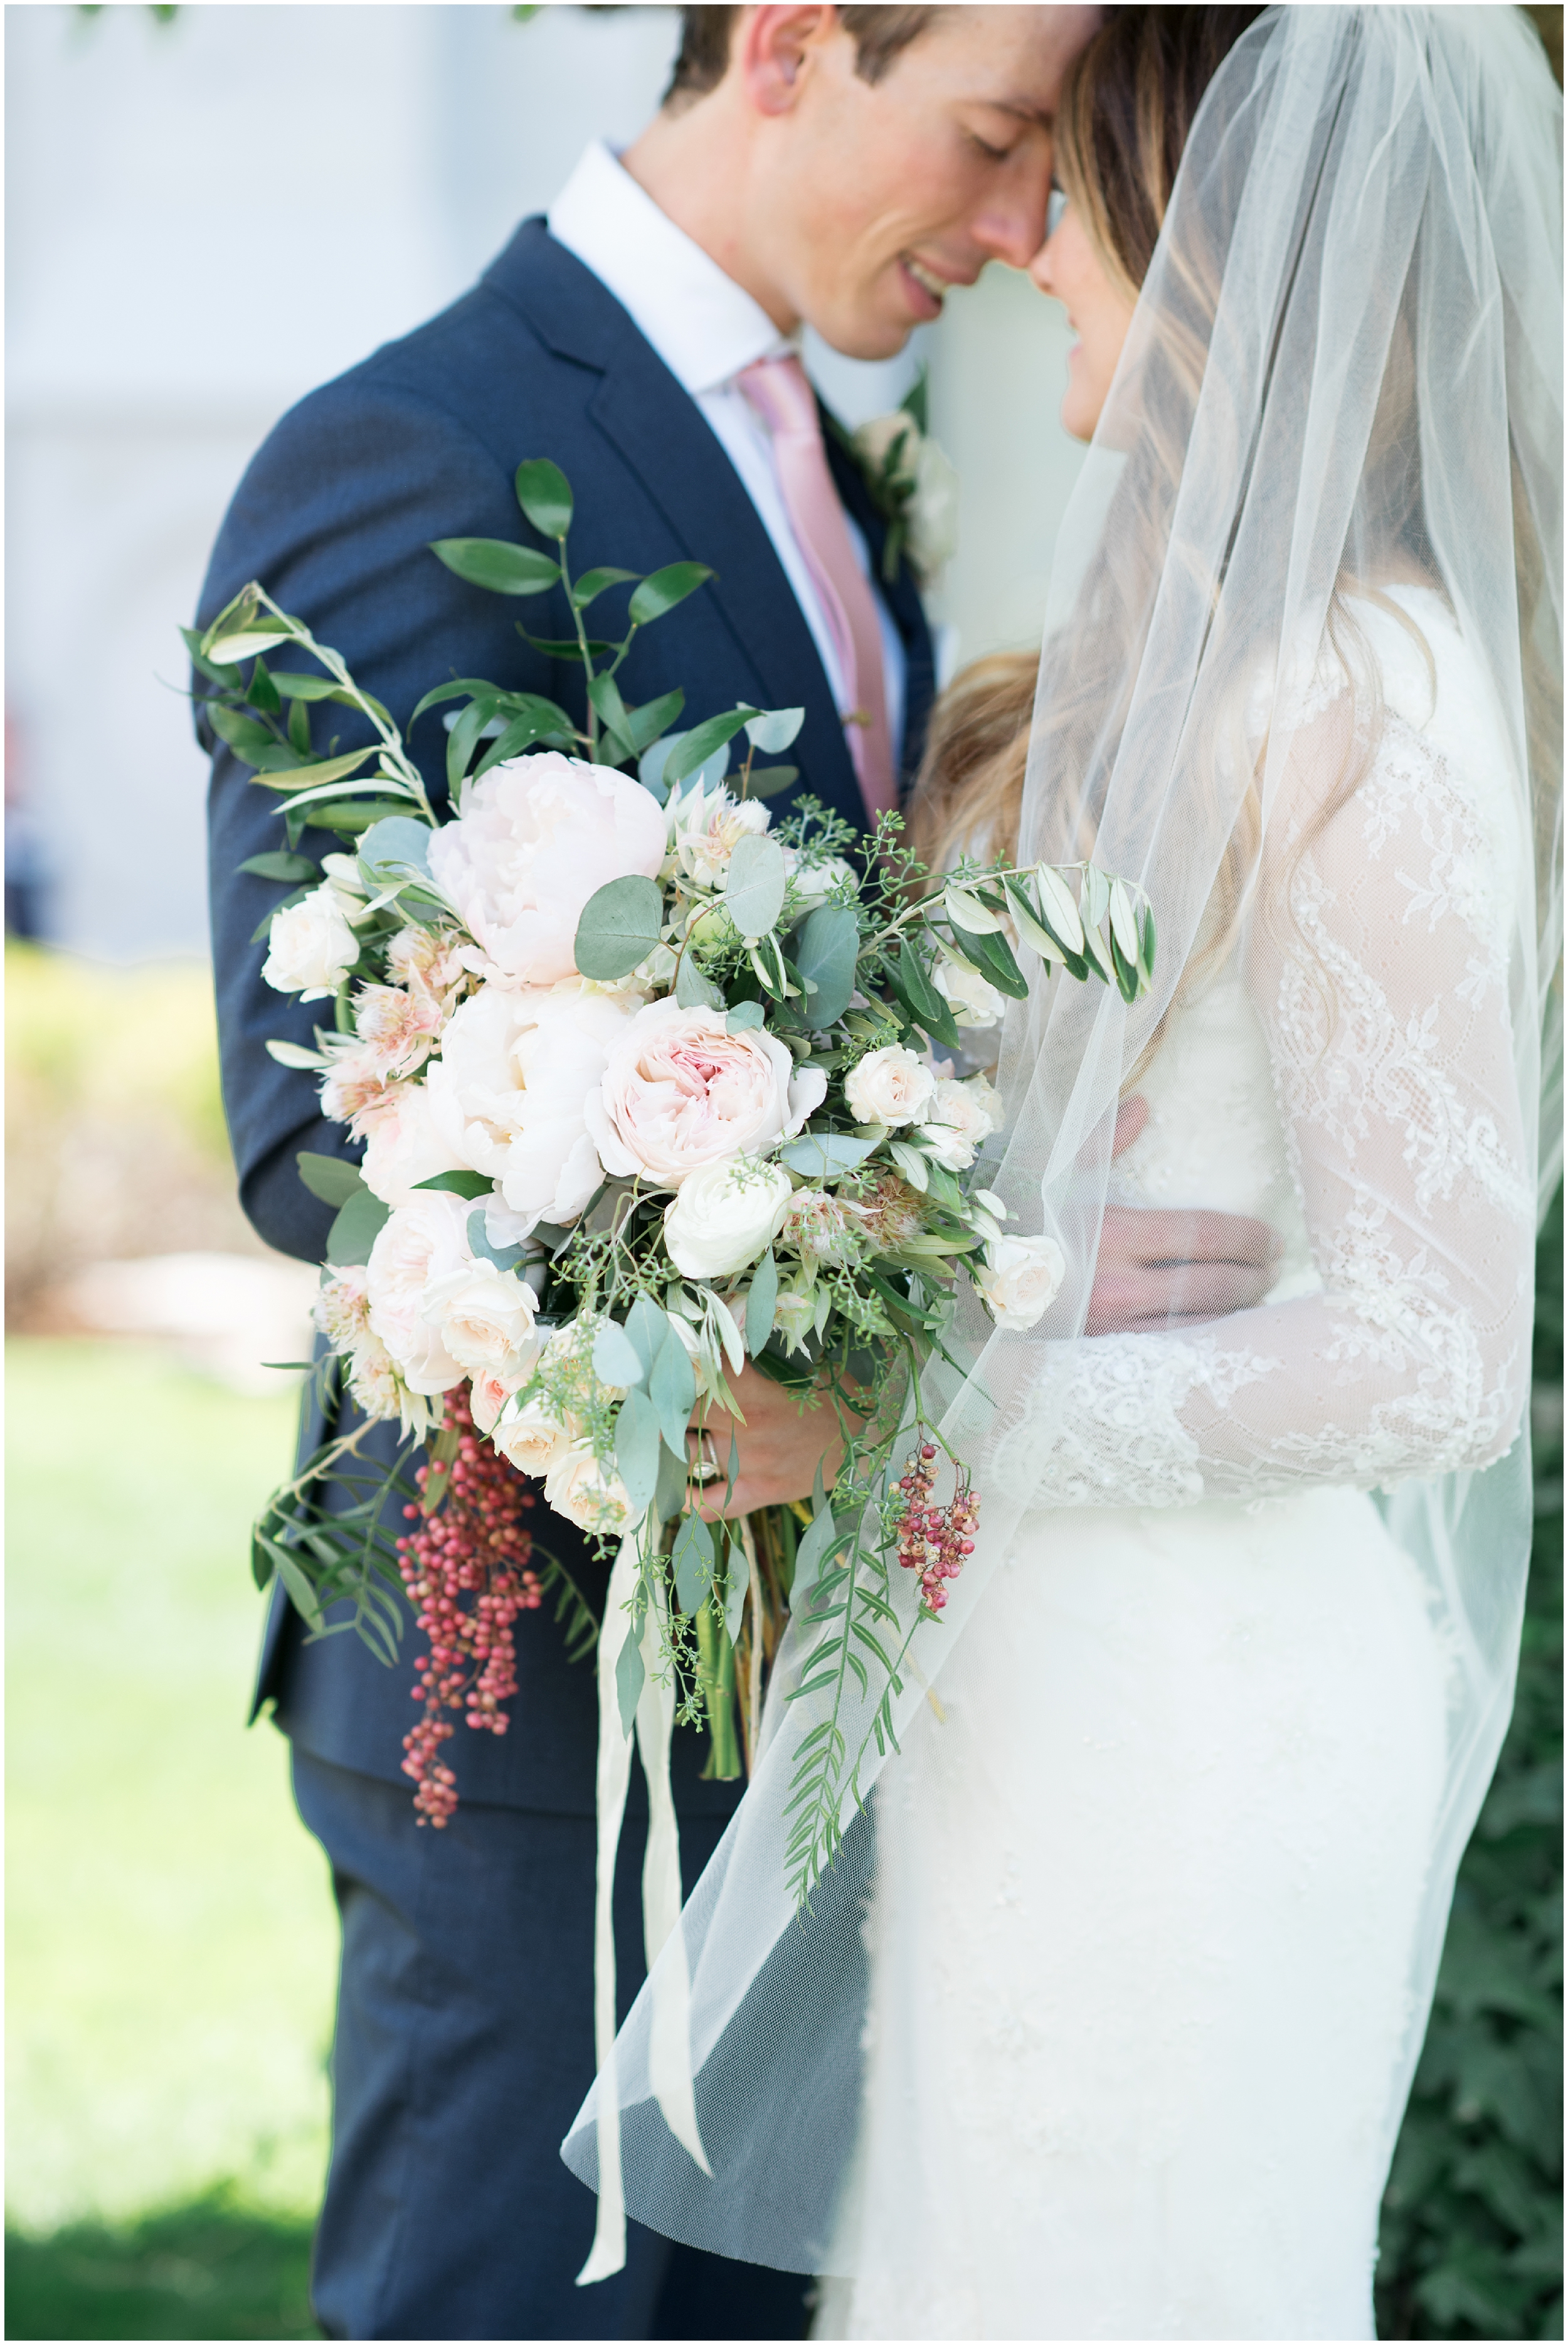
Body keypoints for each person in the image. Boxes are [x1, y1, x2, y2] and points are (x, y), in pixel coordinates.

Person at [199, 8, 1281, 2336]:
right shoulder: (419, 445)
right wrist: (906, 1272)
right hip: (531, 1694)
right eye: (996, 141)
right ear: (789, 40)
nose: (1019, 232)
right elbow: (328, 1140)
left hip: (811, 1651)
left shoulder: (829, 455)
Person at [560, 8, 1563, 2339]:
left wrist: (915, 1405)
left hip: (1199, 1713)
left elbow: (1435, 1357)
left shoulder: (1370, 695)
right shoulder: (1167, 657)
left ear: (1226, 255)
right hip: (1024, 1673)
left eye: (1074, 198)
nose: (1024, 250)